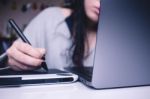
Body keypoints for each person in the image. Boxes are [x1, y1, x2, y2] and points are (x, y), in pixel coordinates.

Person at [6, 0, 100, 71]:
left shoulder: (112, 40)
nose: (101, 3)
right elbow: (10, 58)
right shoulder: (49, 17)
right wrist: (13, 59)